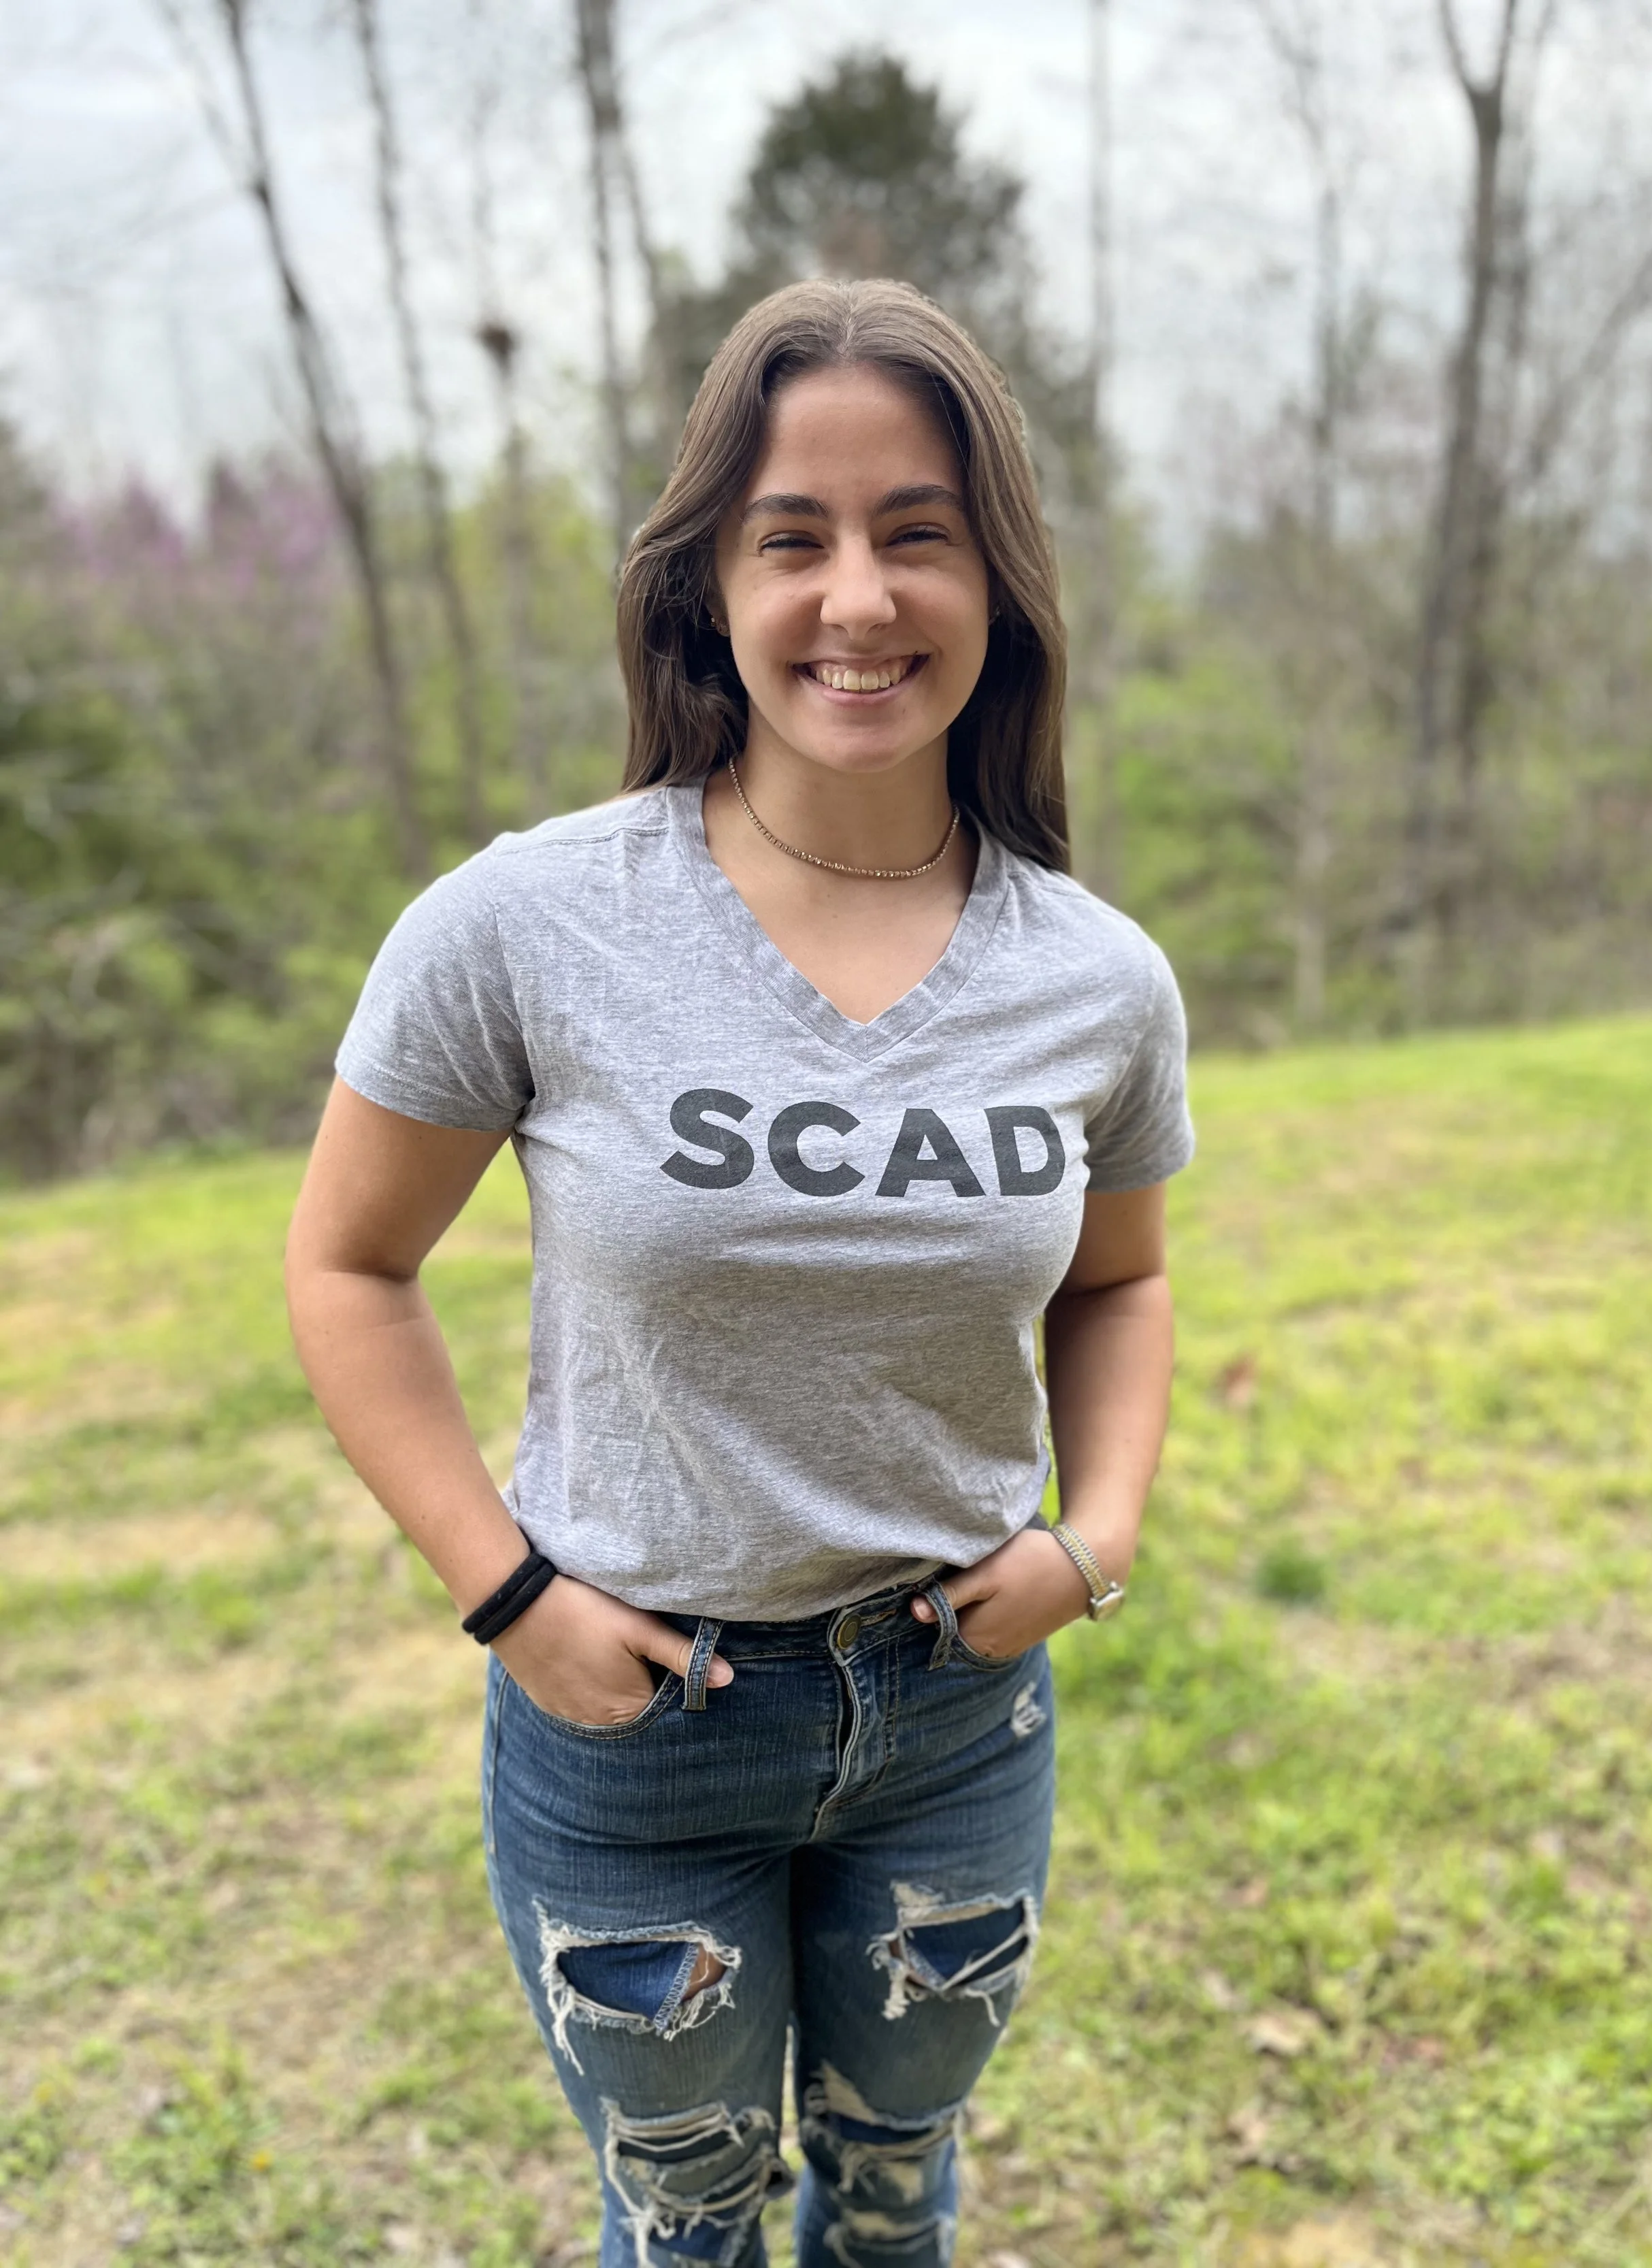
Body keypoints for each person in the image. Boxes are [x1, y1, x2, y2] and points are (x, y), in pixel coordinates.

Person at [285, 277, 1192, 2268]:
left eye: (915, 531)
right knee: (684, 2218)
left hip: (952, 1719)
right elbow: (349, 1265)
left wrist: (1095, 1532)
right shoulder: (523, 924)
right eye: (794, 536)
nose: (855, 598)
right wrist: (505, 1590)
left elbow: (1115, 1286)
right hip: (637, 1735)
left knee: (890, 2195)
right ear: (710, 578)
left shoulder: (1096, 979)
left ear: (996, 579)